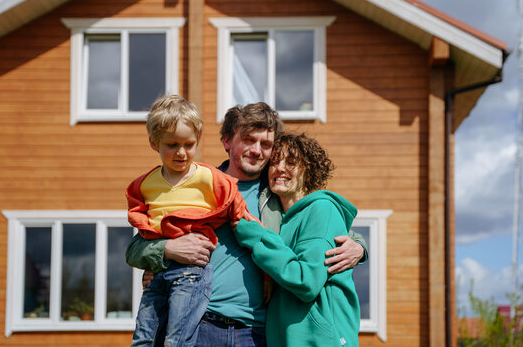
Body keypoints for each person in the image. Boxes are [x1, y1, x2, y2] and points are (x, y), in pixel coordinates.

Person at [126, 102, 367, 346]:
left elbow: (322, 224)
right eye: (248, 140)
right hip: (201, 325)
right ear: (227, 141)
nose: (256, 150)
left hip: (258, 331)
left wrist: (359, 246)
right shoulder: (200, 185)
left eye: (265, 144)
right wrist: (167, 250)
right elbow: (136, 247)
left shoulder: (278, 189)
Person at [126, 95, 259, 346]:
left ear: (197, 141)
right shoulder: (146, 184)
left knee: (176, 340)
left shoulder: (208, 178)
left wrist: (246, 220)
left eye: (189, 144)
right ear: (154, 143)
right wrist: (163, 248)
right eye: (172, 144)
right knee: (143, 339)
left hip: (192, 274)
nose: (181, 152)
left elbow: (233, 200)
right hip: (160, 273)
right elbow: (137, 237)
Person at [233, 132, 360, 346]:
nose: (280, 168)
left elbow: (306, 281)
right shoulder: (280, 219)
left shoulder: (321, 209)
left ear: (308, 171)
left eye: (291, 163)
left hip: (319, 340)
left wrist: (255, 237)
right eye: (274, 162)